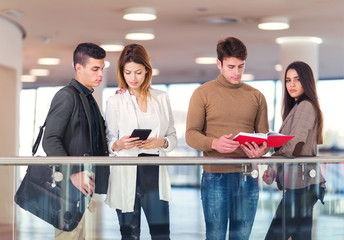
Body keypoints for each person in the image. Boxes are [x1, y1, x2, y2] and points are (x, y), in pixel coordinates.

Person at [186, 36, 269, 240]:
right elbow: (190, 134)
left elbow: (265, 138)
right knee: (215, 236)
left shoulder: (256, 96)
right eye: (231, 66)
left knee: (242, 236)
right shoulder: (202, 93)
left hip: (248, 176)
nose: (237, 72)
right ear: (219, 64)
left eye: (241, 66)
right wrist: (214, 143)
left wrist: (261, 151)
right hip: (215, 177)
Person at [105, 43, 177, 240]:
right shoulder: (115, 101)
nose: (133, 78)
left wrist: (160, 142)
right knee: (129, 236)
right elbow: (108, 140)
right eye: (128, 72)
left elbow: (172, 136)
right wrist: (119, 144)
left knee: (162, 235)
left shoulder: (161, 98)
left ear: (147, 70)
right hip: (125, 170)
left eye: (138, 72)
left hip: (153, 172)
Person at [42, 42, 110, 239]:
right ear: (78, 68)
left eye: (102, 69)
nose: (101, 74)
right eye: (95, 69)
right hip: (71, 186)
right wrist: (73, 173)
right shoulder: (66, 96)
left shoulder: (88, 98)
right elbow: (51, 139)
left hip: (86, 185)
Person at [262, 61, 326, 240]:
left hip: (302, 187)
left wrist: (272, 158)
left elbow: (295, 146)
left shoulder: (305, 106)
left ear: (306, 81)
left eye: (297, 79)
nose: (291, 84)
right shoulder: (298, 106)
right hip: (304, 185)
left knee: (274, 237)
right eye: (288, 80)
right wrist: (274, 168)